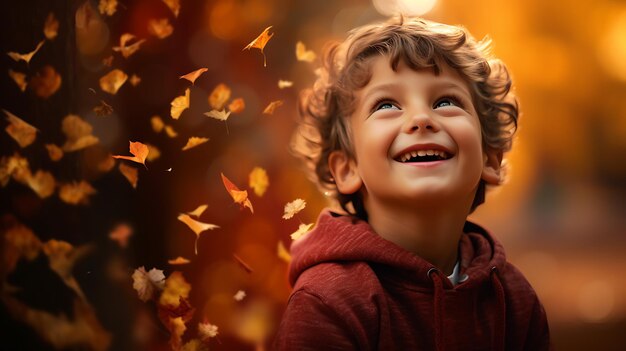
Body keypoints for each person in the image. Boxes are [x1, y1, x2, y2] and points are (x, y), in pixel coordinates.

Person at [274, 16, 550, 351]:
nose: (421, 119)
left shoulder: (514, 299)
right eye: (386, 105)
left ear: (490, 159)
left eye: (445, 102)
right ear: (347, 169)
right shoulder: (328, 301)